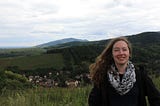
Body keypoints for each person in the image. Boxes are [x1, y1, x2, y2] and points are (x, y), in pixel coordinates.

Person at [88, 37, 160, 106]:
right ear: (112, 54)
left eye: (124, 49)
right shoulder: (103, 76)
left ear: (129, 53)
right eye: (116, 50)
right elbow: (93, 102)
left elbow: (156, 99)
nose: (121, 53)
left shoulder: (140, 75)